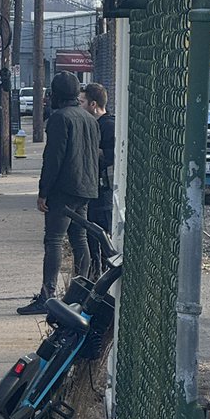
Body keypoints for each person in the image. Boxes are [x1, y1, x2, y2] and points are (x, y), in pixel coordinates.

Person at [17, 71, 100, 315]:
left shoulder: (59, 119)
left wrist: (43, 192)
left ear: (56, 95)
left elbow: (53, 159)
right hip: (86, 187)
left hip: (64, 189)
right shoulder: (89, 119)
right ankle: (80, 292)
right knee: (79, 240)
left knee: (53, 240)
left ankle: (47, 294)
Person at [78, 82, 115, 277]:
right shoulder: (91, 124)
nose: (79, 105)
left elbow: (111, 156)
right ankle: (94, 274)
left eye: (82, 102)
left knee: (103, 238)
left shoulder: (107, 126)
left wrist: (90, 151)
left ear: (93, 104)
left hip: (104, 193)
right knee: (91, 237)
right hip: (91, 190)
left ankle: (102, 275)